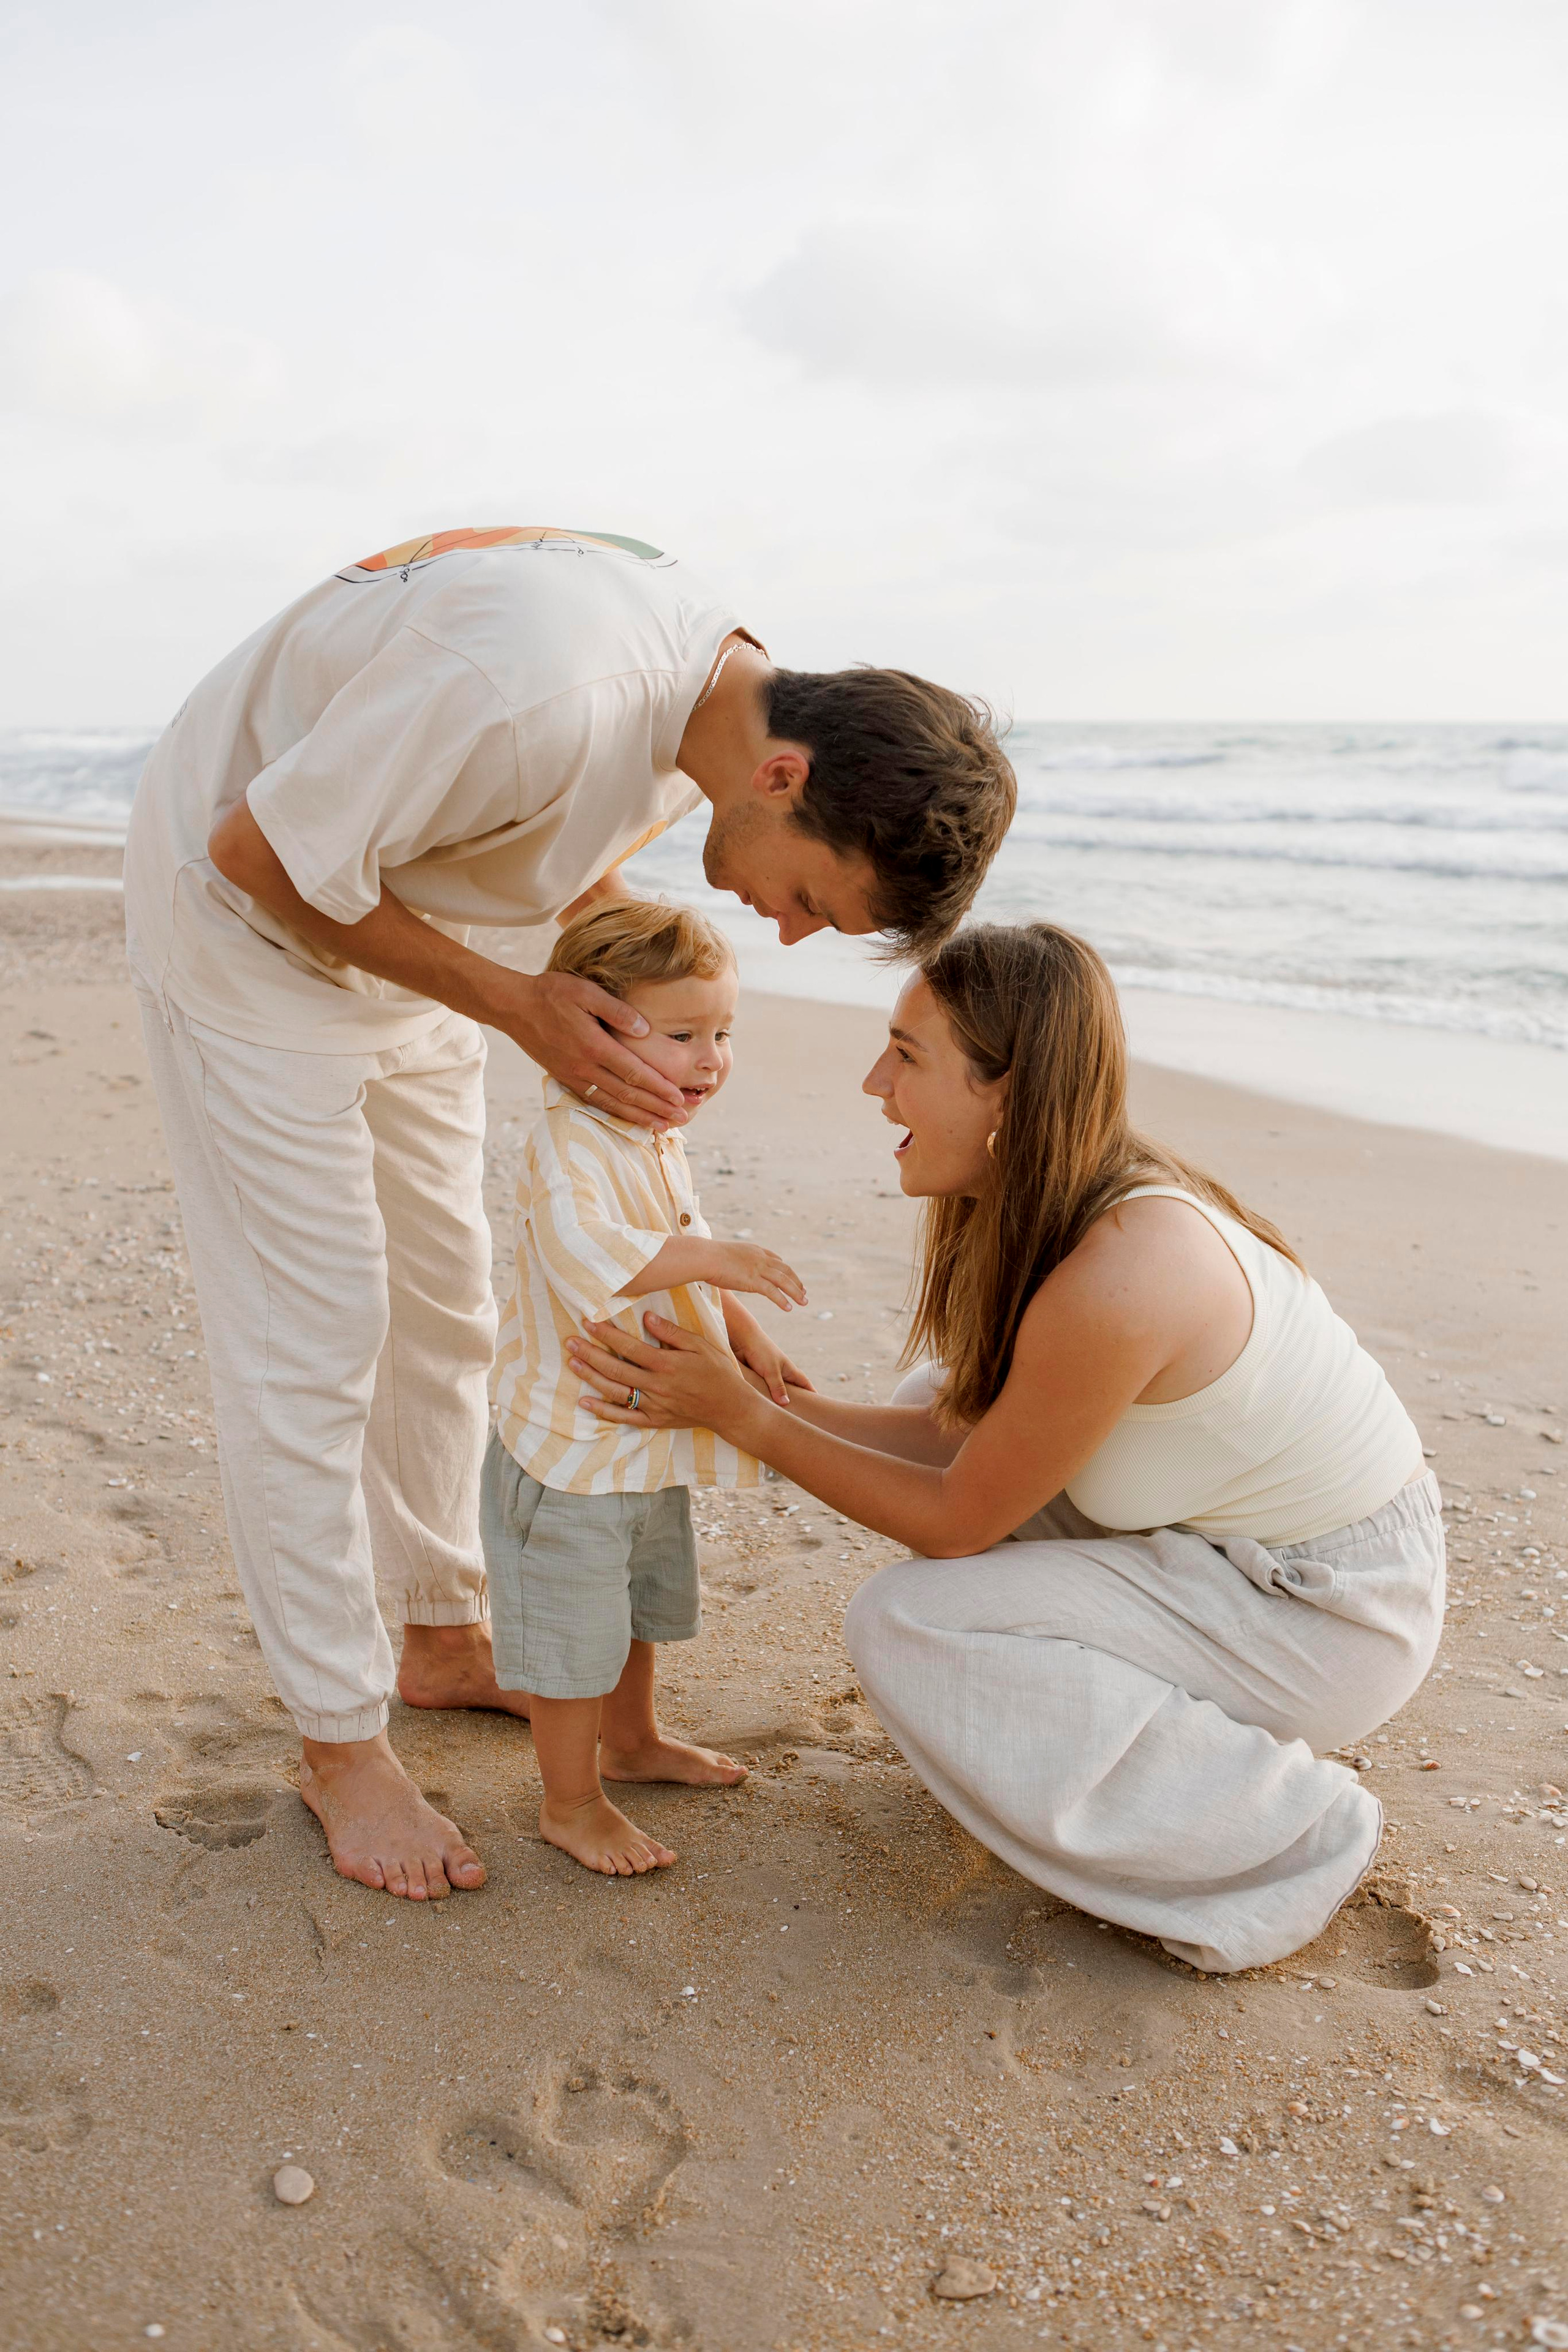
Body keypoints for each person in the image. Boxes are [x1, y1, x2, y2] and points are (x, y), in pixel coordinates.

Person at [123, 522, 1016, 1902]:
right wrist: (519, 1007)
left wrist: (615, 1009)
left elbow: (545, 845)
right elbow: (262, 851)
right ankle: (338, 1743)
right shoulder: (540, 678)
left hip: (402, 922)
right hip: (245, 918)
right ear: (786, 777)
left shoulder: (709, 712)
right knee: (313, 1335)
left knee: (447, 1306)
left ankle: (437, 1633)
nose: (781, 931)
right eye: (808, 899)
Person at [566, 921, 1444, 1973]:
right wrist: (766, 1404)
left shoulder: (1121, 1275)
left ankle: (1292, 1831)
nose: (872, 1083)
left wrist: (748, 1421)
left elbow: (957, 1519)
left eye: (908, 1055)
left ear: (1010, 1095)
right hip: (1230, 1545)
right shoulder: (1062, 1195)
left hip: (1328, 1610)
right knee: (938, 1392)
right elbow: (961, 1435)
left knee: (908, 1622)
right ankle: (1096, 1730)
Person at [483, 898, 812, 1877]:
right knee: (573, 1637)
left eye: (722, 1034)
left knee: (634, 1608)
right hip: (574, 1449)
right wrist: (719, 1256)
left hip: (643, 1434)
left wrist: (740, 1328)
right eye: (681, 1036)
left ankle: (632, 1744)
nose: (709, 1060)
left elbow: (681, 1246)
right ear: (595, 1036)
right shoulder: (569, 1143)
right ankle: (569, 1802)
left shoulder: (655, 1134)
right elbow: (592, 1254)